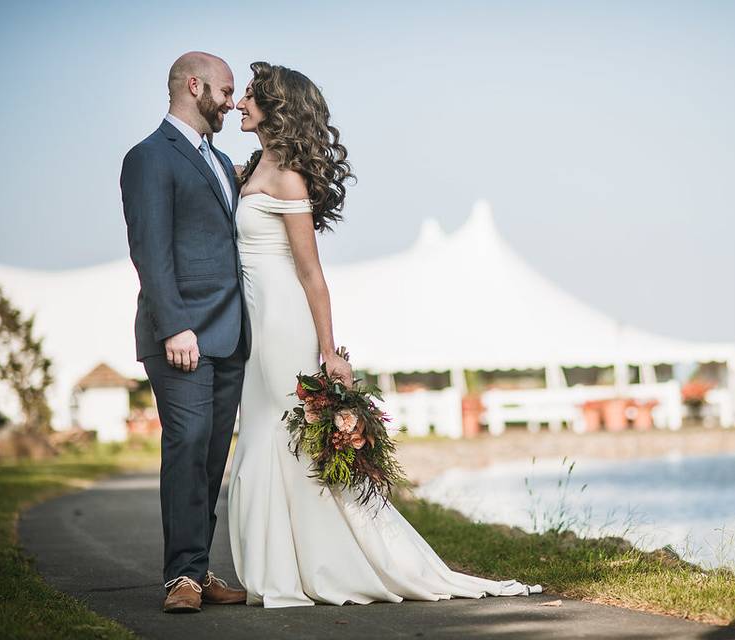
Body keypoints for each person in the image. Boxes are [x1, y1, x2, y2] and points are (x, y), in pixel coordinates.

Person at [227, 61, 540, 607]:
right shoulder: (255, 168)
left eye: (248, 96)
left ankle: (316, 567)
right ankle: (277, 569)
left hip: (281, 324)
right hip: (255, 324)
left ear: (275, 107)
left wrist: (327, 350)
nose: (238, 104)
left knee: (285, 443)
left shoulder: (287, 178)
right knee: (261, 439)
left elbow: (311, 275)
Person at [120, 51, 249, 613]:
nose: (229, 101)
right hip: (182, 336)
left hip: (230, 336)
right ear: (193, 86)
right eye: (224, 91)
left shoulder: (221, 163)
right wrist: (175, 326)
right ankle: (181, 579)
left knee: (212, 456)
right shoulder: (149, 157)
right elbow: (150, 249)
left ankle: (197, 568)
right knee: (187, 446)